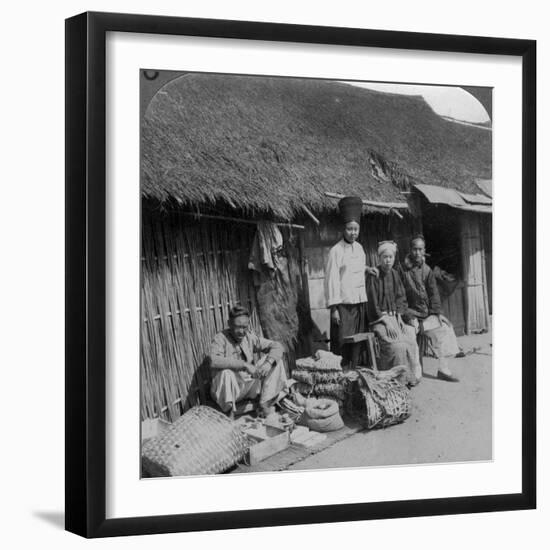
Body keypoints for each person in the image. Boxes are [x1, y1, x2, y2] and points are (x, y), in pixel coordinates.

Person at [398, 235, 460, 382]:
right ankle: (416, 370)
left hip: (426, 316)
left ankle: (443, 369)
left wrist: (437, 313)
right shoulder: (402, 270)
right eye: (415, 249)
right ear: (410, 250)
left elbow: (434, 294)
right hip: (410, 316)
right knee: (409, 336)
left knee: (444, 329)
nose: (417, 253)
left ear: (424, 251)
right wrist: (407, 315)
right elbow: (399, 296)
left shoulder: (427, 270)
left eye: (420, 249)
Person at [208, 306, 288, 419]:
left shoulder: (249, 338)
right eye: (237, 327)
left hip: (248, 387)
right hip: (231, 391)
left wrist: (268, 363)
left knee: (276, 361)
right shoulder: (220, 338)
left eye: (244, 327)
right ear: (229, 324)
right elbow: (213, 360)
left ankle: (264, 404)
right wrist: (244, 365)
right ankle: (229, 413)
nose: (242, 331)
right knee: (226, 373)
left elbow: (277, 346)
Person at [325, 196, 377, 366]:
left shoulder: (360, 248)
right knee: (343, 342)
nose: (353, 233)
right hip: (344, 306)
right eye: (349, 229)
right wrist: (334, 309)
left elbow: (356, 267)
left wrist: (367, 269)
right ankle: (341, 373)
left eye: (356, 229)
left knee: (359, 341)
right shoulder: (336, 251)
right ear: (343, 229)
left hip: (359, 303)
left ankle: (358, 370)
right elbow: (332, 280)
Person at [366, 241, 422, 385]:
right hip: (380, 320)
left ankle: (408, 377)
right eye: (385, 257)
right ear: (379, 258)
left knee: (409, 339)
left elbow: (400, 297)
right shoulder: (374, 276)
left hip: (395, 317)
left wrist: (400, 318)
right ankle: (396, 380)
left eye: (390, 257)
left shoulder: (395, 274)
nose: (388, 260)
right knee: (396, 346)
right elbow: (372, 303)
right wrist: (385, 321)